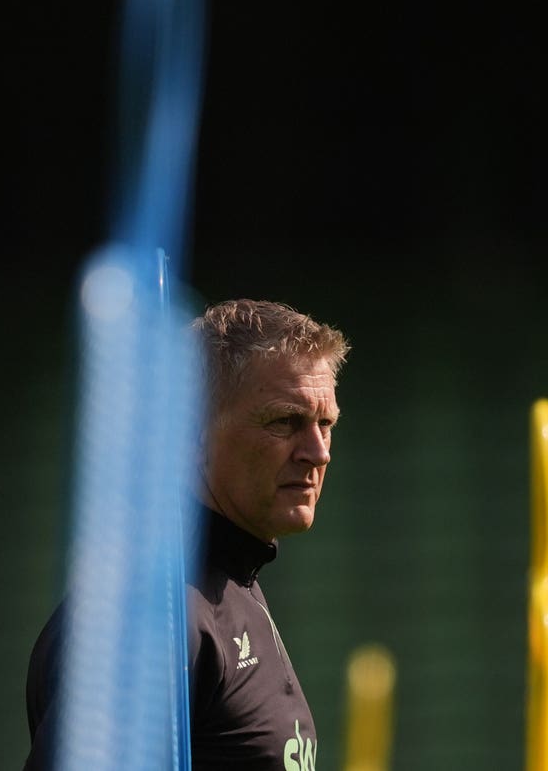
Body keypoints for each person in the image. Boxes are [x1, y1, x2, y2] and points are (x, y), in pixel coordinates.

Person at [23, 298, 350, 770]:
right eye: (285, 421)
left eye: (326, 424)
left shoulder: (232, 586)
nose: (318, 453)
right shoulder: (152, 615)